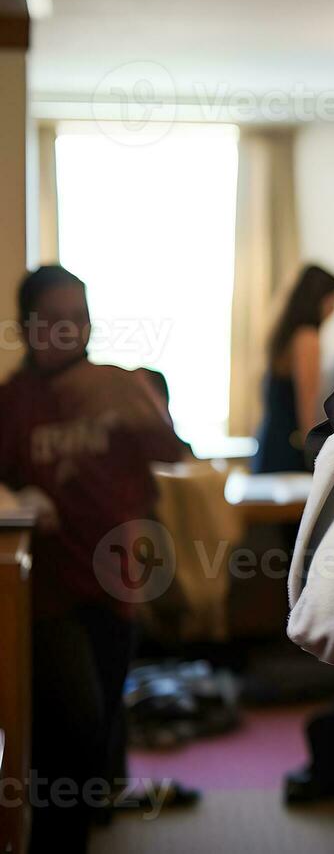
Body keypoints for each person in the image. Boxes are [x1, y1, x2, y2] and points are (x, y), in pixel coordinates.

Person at [0, 265, 199, 852]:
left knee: (98, 733)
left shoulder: (116, 382)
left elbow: (176, 456)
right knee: (73, 722)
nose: (71, 333)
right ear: (28, 326)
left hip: (118, 586)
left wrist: (146, 404)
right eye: (56, 322)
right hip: (48, 592)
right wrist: (19, 499)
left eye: (80, 320)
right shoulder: (13, 403)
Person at [253, 264, 334, 473]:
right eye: (333, 300)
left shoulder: (284, 336)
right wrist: (314, 456)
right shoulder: (307, 339)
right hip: (289, 451)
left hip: (270, 443)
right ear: (318, 299)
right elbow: (307, 407)